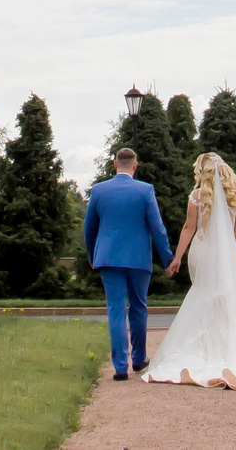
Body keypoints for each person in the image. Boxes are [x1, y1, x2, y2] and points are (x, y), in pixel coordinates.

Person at [144, 151, 236, 390]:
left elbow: (189, 228)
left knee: (203, 294)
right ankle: (226, 347)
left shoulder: (196, 197)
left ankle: (203, 346)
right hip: (226, 255)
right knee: (225, 296)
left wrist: (177, 257)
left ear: (204, 173)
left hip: (201, 252)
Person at [83, 146, 172, 380]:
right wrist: (167, 259)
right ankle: (139, 359)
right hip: (138, 258)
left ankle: (120, 367)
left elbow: (89, 228)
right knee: (139, 307)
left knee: (115, 310)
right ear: (135, 165)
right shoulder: (145, 191)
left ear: (115, 164)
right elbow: (158, 228)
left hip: (109, 258)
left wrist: (94, 255)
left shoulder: (99, 190)